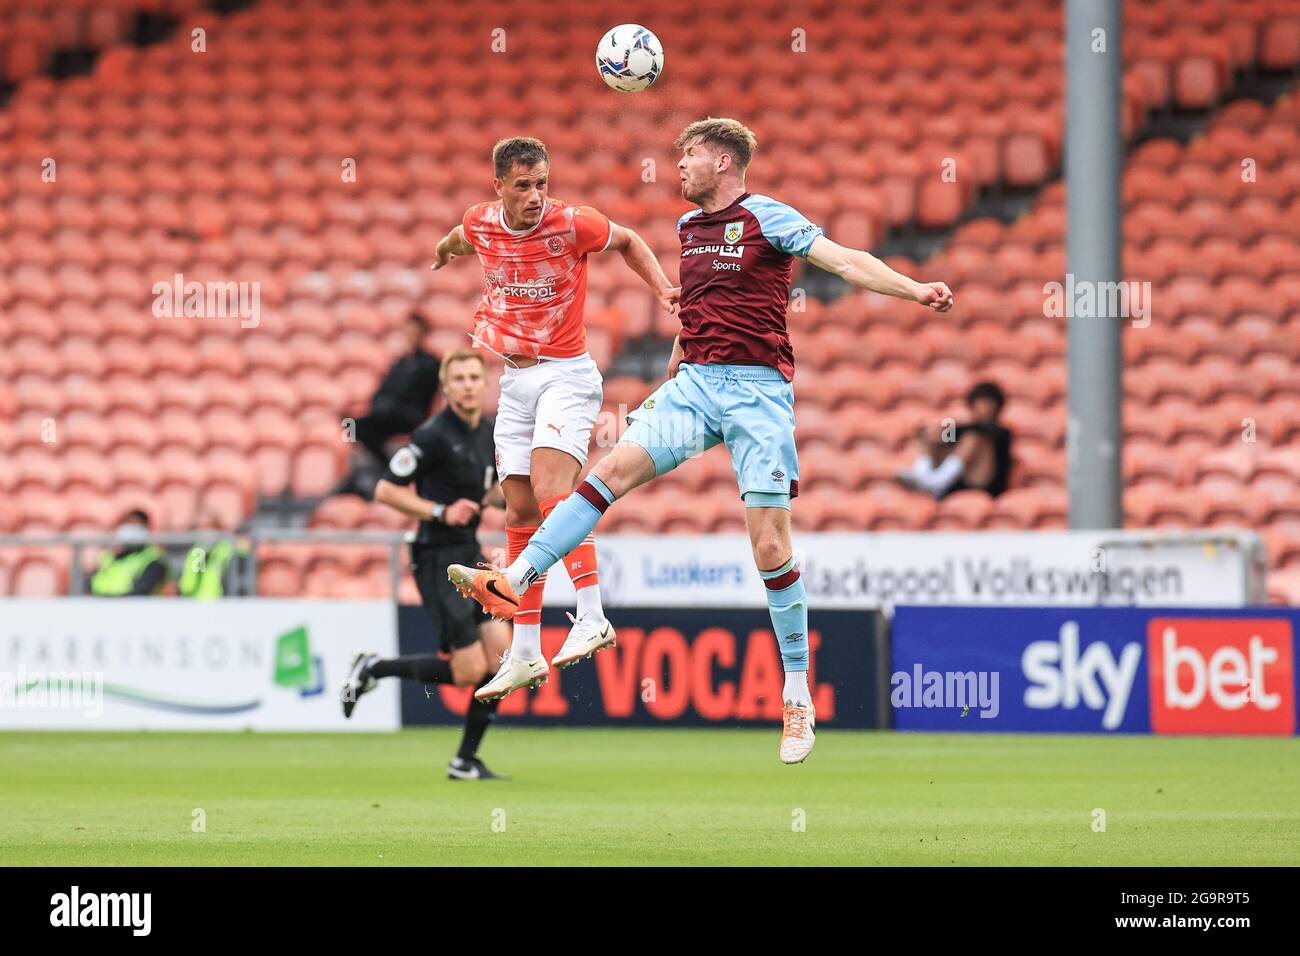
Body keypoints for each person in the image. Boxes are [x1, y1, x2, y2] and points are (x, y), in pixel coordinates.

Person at [449, 117, 953, 764]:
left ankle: (796, 696)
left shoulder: (766, 215)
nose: (677, 167)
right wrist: (674, 365)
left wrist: (914, 288)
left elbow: (843, 260)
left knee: (770, 543)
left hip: (758, 392)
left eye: (687, 157)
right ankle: (516, 577)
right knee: (607, 474)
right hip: (694, 385)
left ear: (721, 162)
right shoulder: (689, 230)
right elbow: (699, 308)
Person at [429, 135, 678, 689]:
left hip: (566, 373)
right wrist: (444, 252)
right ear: (499, 188)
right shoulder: (481, 222)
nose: (536, 195)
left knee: (550, 490)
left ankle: (592, 615)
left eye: (542, 182)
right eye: (523, 186)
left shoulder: (572, 224)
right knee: (519, 511)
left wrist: (662, 289)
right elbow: (458, 238)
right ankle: (524, 651)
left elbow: (630, 240)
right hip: (515, 379)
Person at [340, 349, 512, 780]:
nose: (469, 384)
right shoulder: (432, 435)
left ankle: (464, 761)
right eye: (460, 378)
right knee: (468, 671)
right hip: (436, 556)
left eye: (475, 376)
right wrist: (439, 511)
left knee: (506, 659)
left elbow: (487, 492)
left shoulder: (487, 432)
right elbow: (386, 491)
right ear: (447, 386)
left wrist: (510, 497)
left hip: (468, 553)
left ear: (485, 382)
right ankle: (374, 669)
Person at [895, 381, 1013, 499]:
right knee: (934, 438)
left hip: (985, 485)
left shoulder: (1001, 433)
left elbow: (981, 429)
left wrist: (948, 429)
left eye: (988, 403)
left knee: (971, 438)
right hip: (958, 482)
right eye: (981, 403)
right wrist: (936, 433)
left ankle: (935, 483)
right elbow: (949, 436)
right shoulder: (963, 431)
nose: (984, 408)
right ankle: (923, 477)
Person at [90, 509, 169, 596]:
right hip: (99, 604)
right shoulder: (108, 556)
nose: (131, 529)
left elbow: (143, 590)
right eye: (129, 524)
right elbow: (92, 583)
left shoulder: (153, 559)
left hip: (133, 607)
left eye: (136, 525)